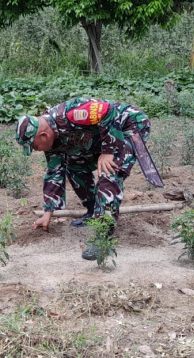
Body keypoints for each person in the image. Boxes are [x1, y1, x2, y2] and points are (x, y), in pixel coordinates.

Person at [15, 97, 161, 260]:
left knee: (109, 171)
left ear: (43, 135)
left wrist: (108, 150)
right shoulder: (52, 141)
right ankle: (93, 211)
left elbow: (107, 111)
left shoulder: (70, 115)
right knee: (74, 166)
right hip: (101, 137)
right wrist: (48, 212)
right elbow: (54, 171)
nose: (36, 150)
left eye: (34, 146)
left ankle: (103, 235)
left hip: (129, 125)